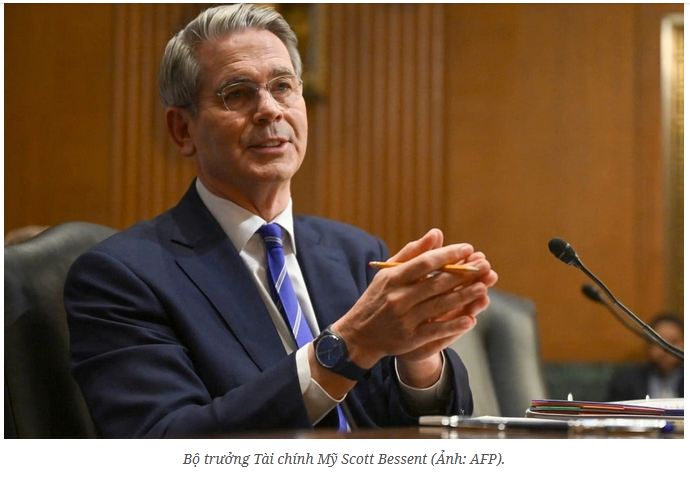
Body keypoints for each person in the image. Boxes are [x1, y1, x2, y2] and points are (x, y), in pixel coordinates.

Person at [64, 4, 498, 437]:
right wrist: (349, 346)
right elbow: (166, 444)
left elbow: (410, 426)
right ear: (183, 130)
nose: (270, 110)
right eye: (237, 93)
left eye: (283, 86)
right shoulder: (121, 278)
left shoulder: (357, 253)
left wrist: (418, 358)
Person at [607, 313, 684, 401]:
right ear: (649, 343)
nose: (665, 350)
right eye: (659, 342)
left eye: (673, 342)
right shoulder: (626, 380)